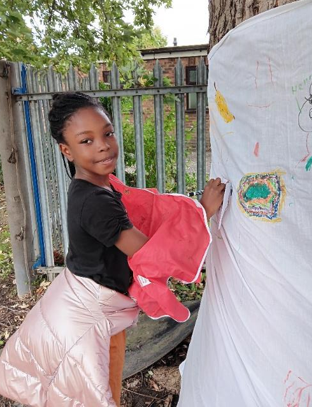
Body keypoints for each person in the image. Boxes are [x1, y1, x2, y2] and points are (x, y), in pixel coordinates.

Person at [48, 91, 225, 406]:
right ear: (67, 150)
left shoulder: (96, 185)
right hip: (94, 322)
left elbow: (142, 211)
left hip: (82, 305)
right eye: (86, 141)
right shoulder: (95, 202)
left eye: (107, 133)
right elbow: (152, 252)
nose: (103, 144)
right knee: (102, 390)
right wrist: (202, 212)